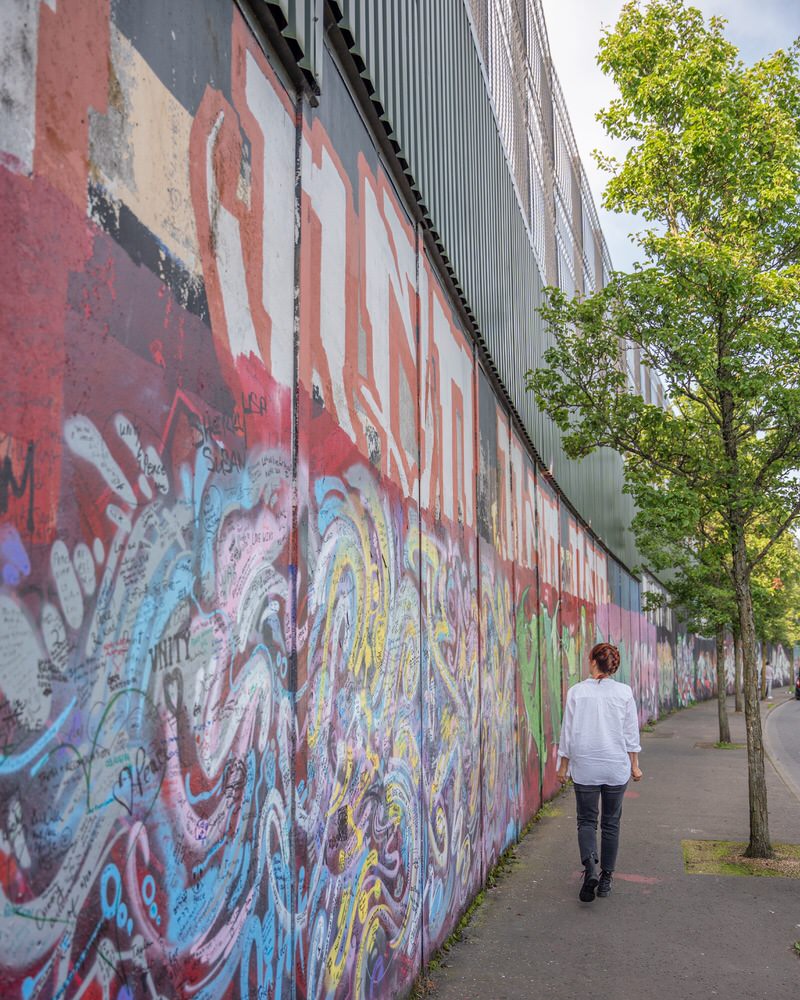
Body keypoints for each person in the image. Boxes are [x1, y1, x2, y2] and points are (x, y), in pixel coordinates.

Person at [556, 642, 643, 903]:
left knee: (586, 821)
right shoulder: (624, 693)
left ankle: (590, 867)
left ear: (593, 661)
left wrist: (563, 767)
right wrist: (635, 765)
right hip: (615, 766)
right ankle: (605, 879)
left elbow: (567, 734)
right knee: (611, 823)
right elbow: (630, 734)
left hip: (585, 765)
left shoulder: (576, 692)